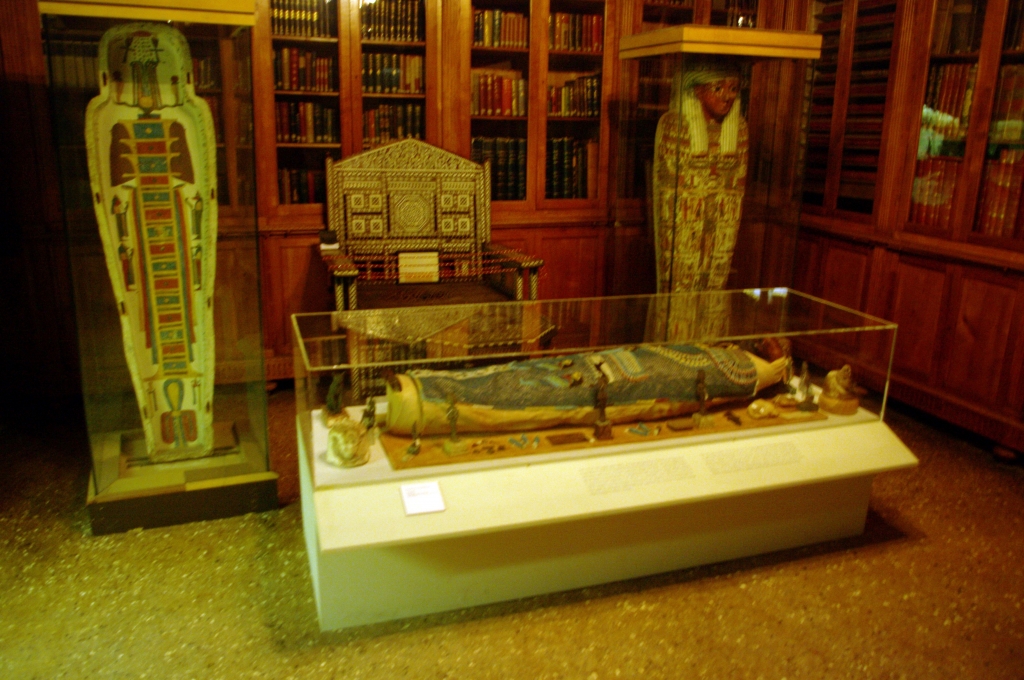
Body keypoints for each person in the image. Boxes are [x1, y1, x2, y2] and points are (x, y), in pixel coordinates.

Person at [385, 342, 787, 436]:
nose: (768, 342)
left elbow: (697, 381)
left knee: (518, 390)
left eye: (774, 346)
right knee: (514, 375)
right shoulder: (726, 351)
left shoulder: (745, 370)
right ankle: (422, 386)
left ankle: (422, 400)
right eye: (768, 342)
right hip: (605, 364)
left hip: (617, 381)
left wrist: (772, 369)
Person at [652, 61, 747, 294]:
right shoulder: (675, 124)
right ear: (697, 91)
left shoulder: (741, 128)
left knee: (716, 274)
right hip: (685, 214)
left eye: (733, 89)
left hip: (724, 212)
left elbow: (739, 179)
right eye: (718, 88)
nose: (727, 96)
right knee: (680, 277)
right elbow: (669, 178)